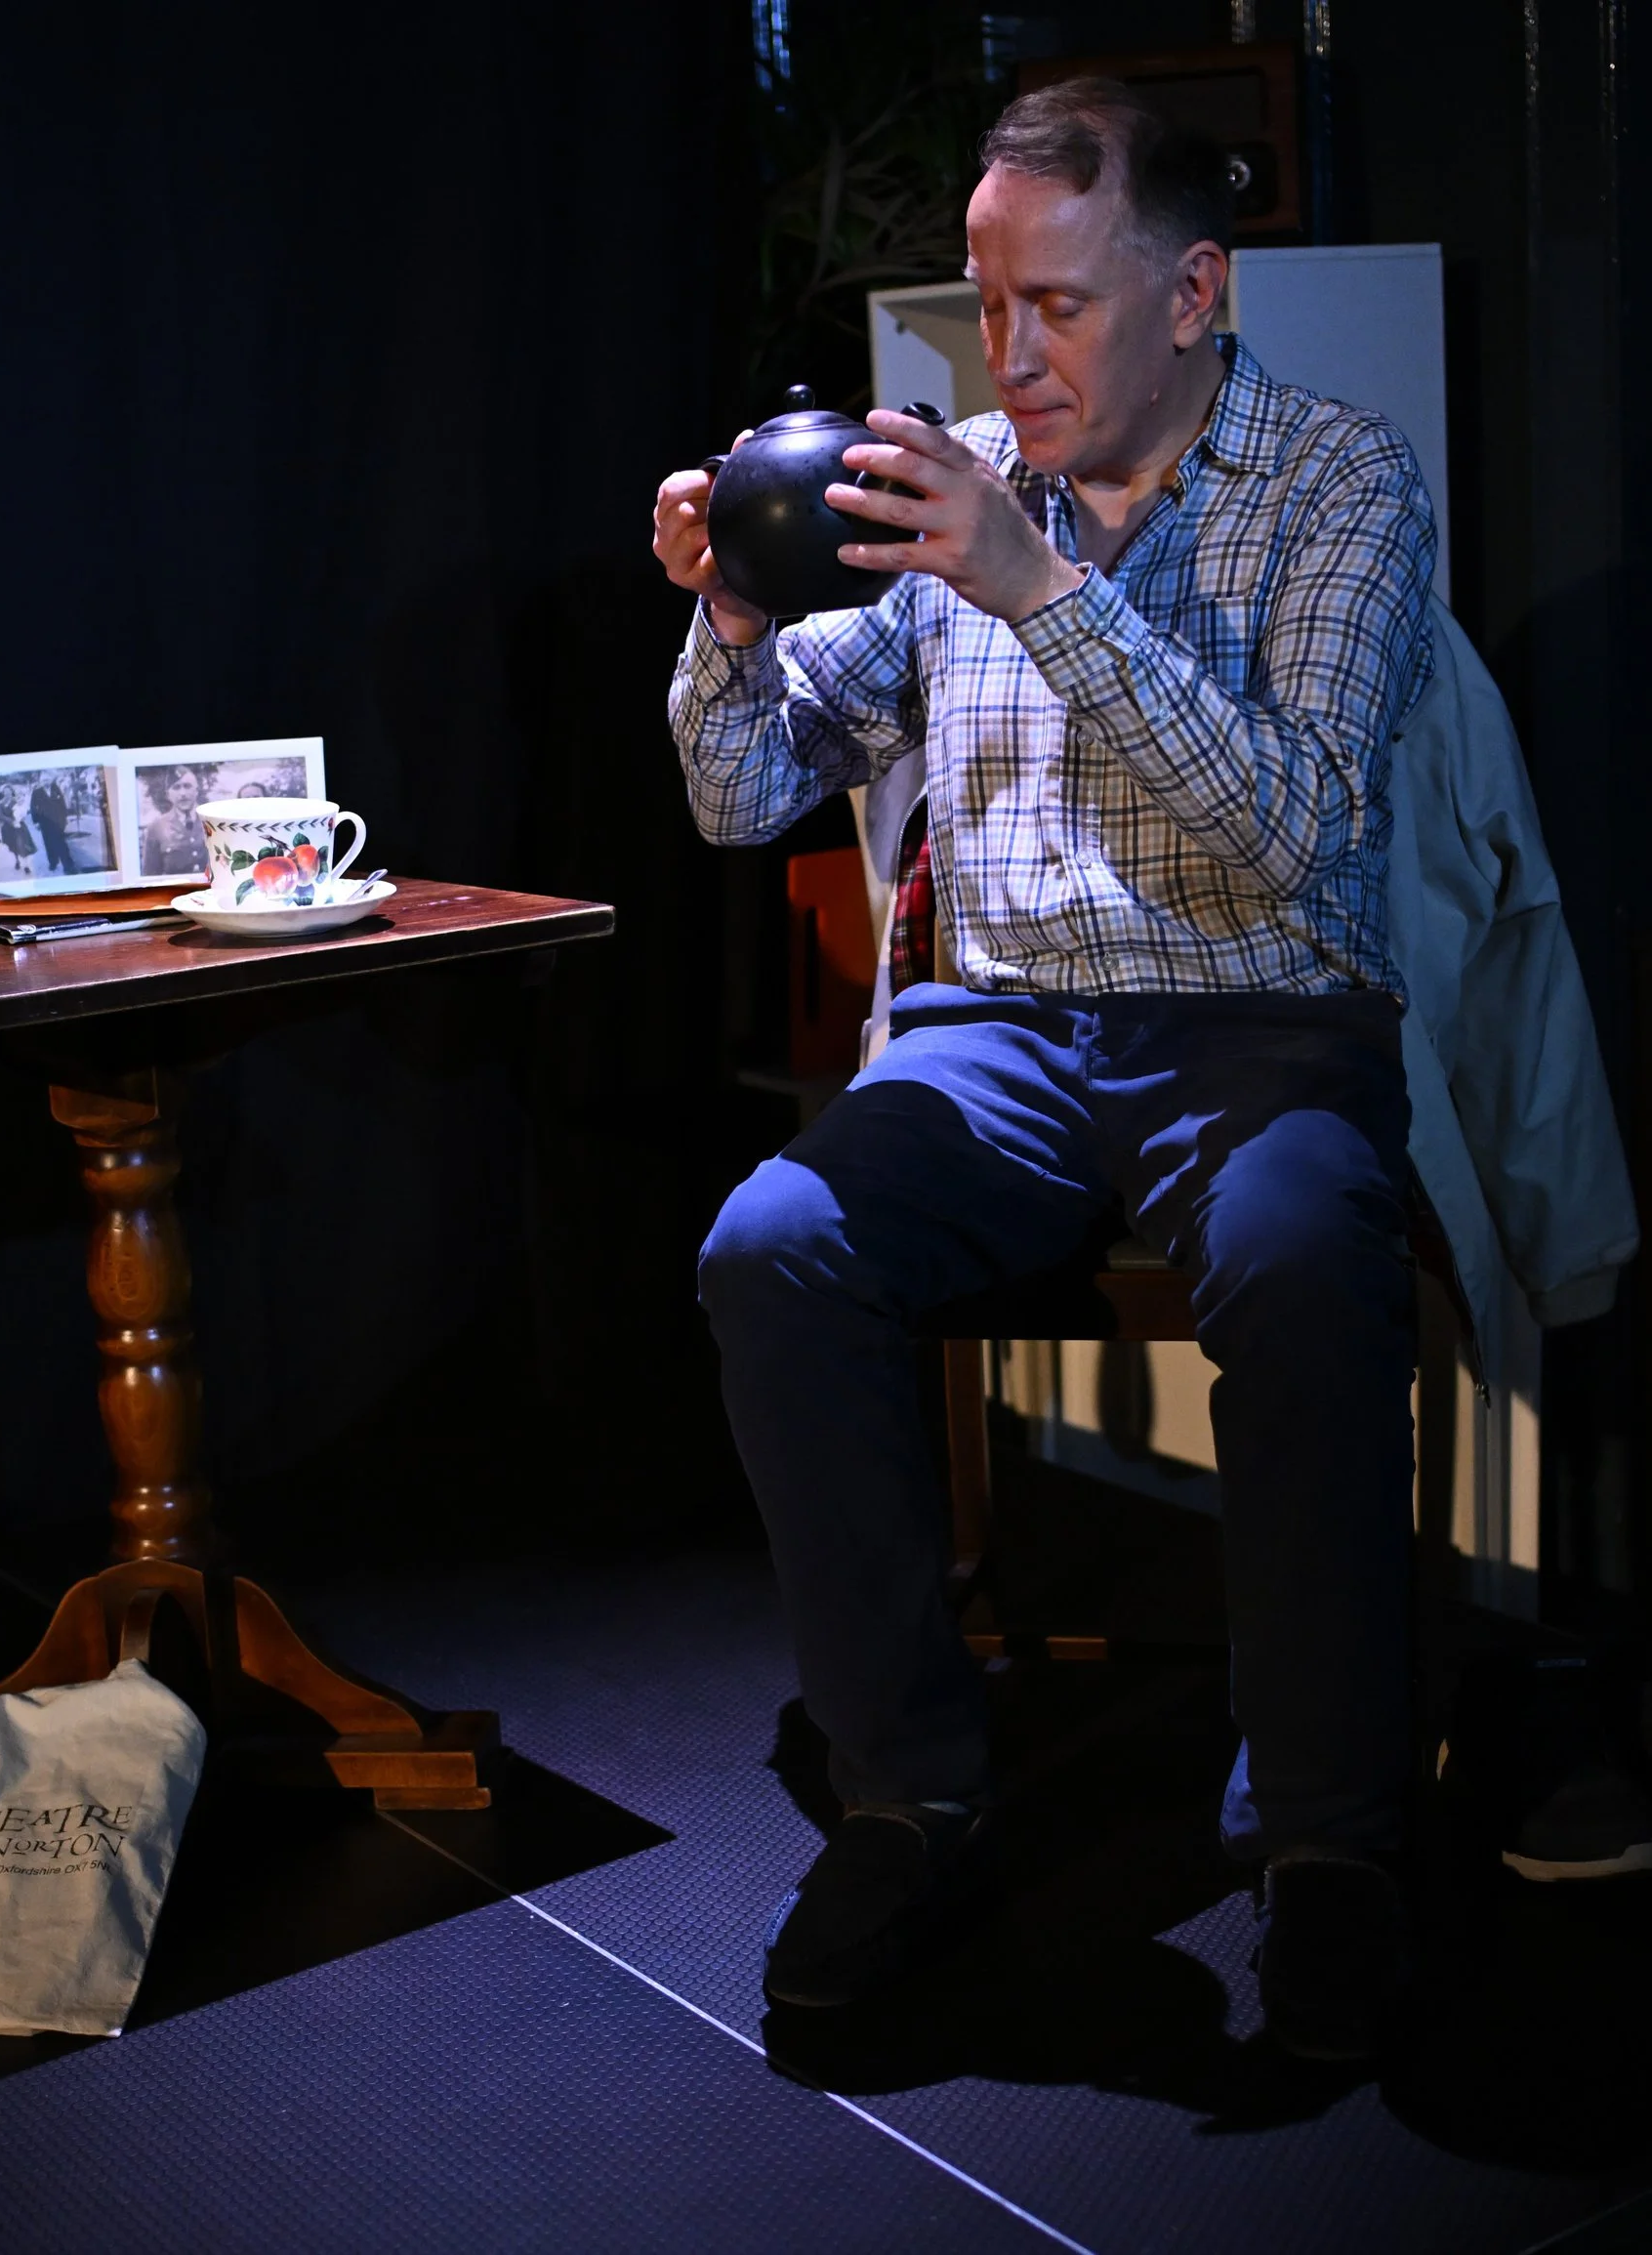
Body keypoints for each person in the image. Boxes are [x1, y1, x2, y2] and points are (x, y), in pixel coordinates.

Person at [655, 79, 1435, 2059]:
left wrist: (1045, 590)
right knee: (770, 1244)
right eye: (989, 305)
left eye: (1057, 306)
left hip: (1259, 1021)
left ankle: (1327, 1831)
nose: (1006, 355)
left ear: (1192, 291)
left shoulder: (1340, 481)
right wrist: (730, 621)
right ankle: (908, 1791)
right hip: (997, 1035)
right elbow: (743, 796)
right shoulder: (963, 489)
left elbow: (1298, 837)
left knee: (1303, 1255)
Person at [30, 776, 75, 874]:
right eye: (43, 780)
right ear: (40, 782)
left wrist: (65, 817)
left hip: (58, 821)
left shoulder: (55, 788)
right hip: (45, 822)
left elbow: (62, 803)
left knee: (61, 843)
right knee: (49, 844)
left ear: (50, 780)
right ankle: (53, 862)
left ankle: (68, 866)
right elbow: (33, 807)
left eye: (47, 780)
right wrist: (36, 821)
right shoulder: (36, 792)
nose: (45, 782)